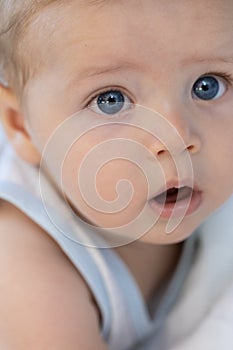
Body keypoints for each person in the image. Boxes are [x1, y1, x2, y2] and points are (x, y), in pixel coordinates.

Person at [0, 0, 233, 349]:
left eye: (208, 85)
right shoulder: (25, 275)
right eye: (111, 100)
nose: (176, 138)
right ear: (21, 126)